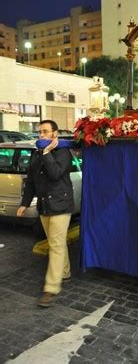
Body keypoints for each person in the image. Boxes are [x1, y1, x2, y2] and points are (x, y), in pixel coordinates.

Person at [17, 120, 74, 307]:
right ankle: (64, 272)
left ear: (54, 134)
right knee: (55, 242)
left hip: (60, 205)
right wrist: (24, 203)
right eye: (39, 132)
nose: (41, 135)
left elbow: (56, 173)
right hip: (44, 206)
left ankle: (51, 288)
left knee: (56, 245)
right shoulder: (36, 154)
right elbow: (32, 181)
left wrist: (48, 152)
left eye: (45, 132)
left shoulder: (63, 152)